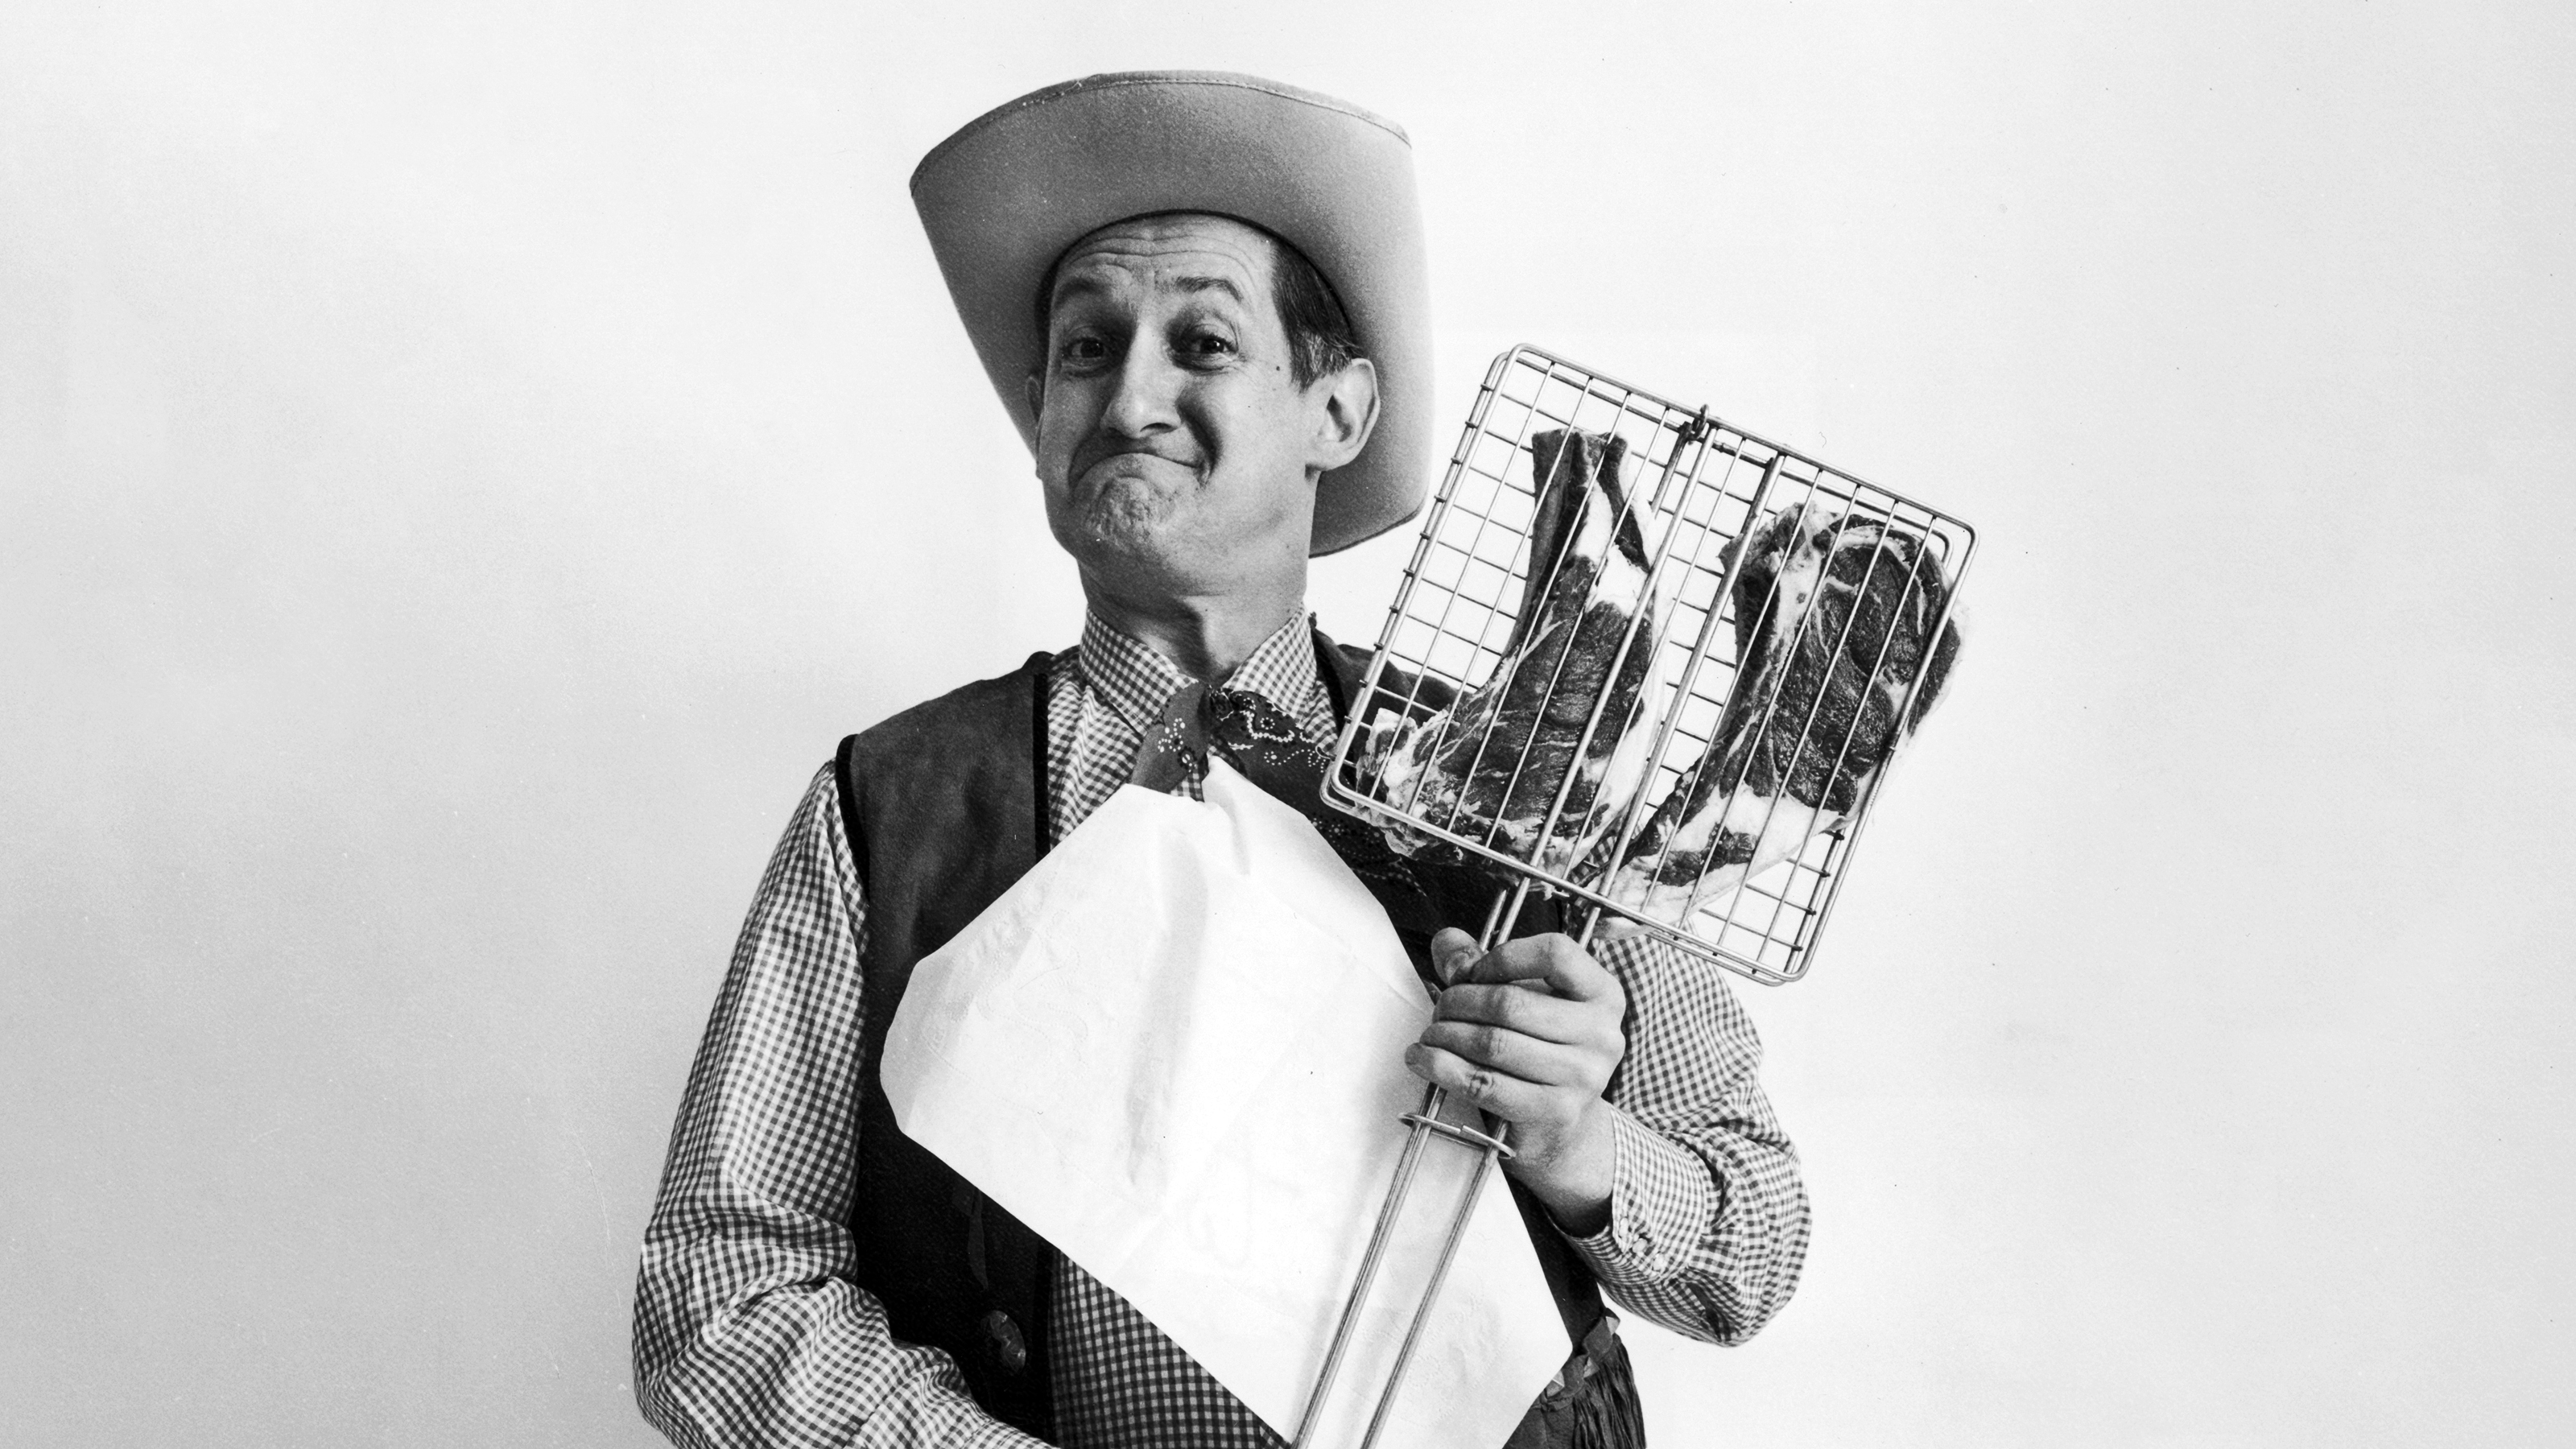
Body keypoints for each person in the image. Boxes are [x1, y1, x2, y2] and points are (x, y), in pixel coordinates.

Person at [632, 72, 1808, 1449]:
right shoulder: (889, 808)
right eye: (1084, 349)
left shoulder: (1530, 783)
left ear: (1338, 411)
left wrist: (1581, 1148)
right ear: (1037, 409)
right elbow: (720, 1290)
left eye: (1200, 342)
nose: (1130, 394)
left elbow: (1757, 1243)